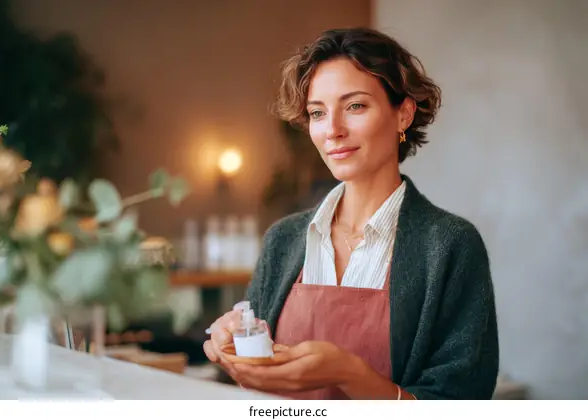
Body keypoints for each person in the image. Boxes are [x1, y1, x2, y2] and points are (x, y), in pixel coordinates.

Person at [203, 27, 499, 400]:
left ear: (403, 114)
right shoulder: (283, 239)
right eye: (317, 113)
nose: (333, 130)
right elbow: (256, 381)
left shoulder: (451, 245)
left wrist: (347, 373)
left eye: (355, 106)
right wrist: (233, 343)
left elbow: (461, 402)